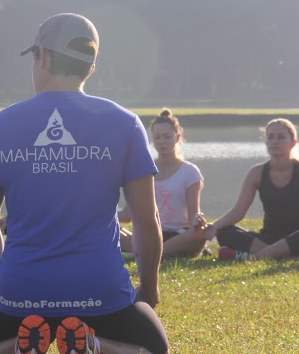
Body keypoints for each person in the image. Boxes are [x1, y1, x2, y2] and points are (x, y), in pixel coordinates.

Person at [0, 13, 169, 354]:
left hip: (21, 295)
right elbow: (146, 219)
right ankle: (97, 349)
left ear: (42, 56)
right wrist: (150, 285)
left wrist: (3, 280)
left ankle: (16, 350)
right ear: (90, 67)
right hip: (101, 293)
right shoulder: (124, 122)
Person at [203, 118, 299, 261]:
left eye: (281, 137)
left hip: (295, 236)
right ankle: (281, 254)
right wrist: (214, 227)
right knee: (225, 231)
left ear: (293, 143)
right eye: (270, 137)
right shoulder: (257, 172)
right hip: (267, 238)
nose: (275, 141)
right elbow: (238, 211)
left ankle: (253, 257)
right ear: (265, 141)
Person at [119, 108, 207, 258]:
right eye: (157, 137)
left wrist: (197, 220)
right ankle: (150, 253)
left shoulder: (190, 172)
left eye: (167, 137)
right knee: (107, 227)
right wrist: (102, 216)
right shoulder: (144, 169)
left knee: (199, 233)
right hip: (150, 235)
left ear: (177, 138)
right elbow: (128, 214)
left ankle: (146, 254)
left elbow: (193, 214)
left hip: (178, 236)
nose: (162, 141)